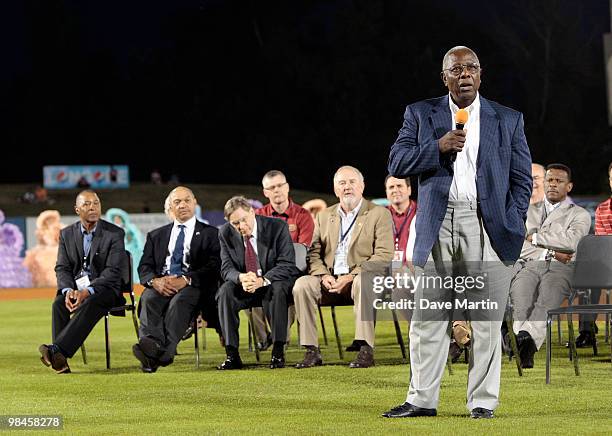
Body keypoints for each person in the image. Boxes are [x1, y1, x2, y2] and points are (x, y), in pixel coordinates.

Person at [384, 46, 532, 419]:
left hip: (487, 224)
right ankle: (422, 400)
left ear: (480, 75)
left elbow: (521, 179)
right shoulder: (420, 114)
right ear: (444, 77)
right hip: (437, 221)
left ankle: (482, 402)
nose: (464, 74)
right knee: (429, 317)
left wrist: (511, 219)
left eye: (471, 68)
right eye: (456, 69)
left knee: (485, 320)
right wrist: (437, 147)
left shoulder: (508, 119)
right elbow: (397, 163)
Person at [292, 165, 394, 369]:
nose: (347, 187)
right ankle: (311, 350)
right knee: (302, 285)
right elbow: (313, 253)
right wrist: (322, 276)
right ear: (336, 189)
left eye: (352, 182)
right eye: (342, 183)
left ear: (362, 186)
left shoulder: (379, 214)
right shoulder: (323, 216)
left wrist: (351, 276)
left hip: (360, 279)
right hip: (330, 278)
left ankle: (365, 349)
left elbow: (384, 255)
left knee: (362, 282)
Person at [509, 164, 591, 367]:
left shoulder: (580, 214)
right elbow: (518, 246)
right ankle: (526, 345)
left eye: (559, 181)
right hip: (531, 265)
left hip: (561, 269)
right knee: (521, 298)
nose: (553, 184)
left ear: (569, 187)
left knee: (547, 298)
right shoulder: (527, 211)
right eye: (549, 180)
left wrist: (535, 237)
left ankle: (523, 340)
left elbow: (572, 242)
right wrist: (552, 250)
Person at [134, 186, 221, 372]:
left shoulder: (211, 233)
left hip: (193, 286)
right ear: (170, 208)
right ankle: (153, 349)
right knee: (148, 298)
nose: (182, 205)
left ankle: (163, 353)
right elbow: (144, 267)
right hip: (163, 284)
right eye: (177, 202)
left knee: (180, 301)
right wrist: (154, 281)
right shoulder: (156, 235)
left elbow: (214, 266)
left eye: (187, 200)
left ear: (195, 203)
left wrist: (186, 279)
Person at [38, 190, 126, 374]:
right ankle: (61, 363)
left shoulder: (114, 233)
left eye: (96, 203)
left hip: (106, 290)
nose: (92, 207)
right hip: (77, 288)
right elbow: (62, 267)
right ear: (77, 209)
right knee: (58, 304)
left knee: (91, 302)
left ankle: (57, 350)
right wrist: (68, 290)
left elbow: (113, 272)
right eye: (86, 204)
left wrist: (88, 291)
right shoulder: (66, 234)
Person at [216, 196, 300, 370]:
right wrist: (241, 278)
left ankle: (278, 352)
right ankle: (232, 355)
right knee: (225, 292)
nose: (241, 226)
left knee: (277, 289)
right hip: (246, 284)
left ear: (252, 212)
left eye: (243, 220)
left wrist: (262, 281)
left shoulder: (277, 227)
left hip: (271, 282)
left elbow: (287, 264)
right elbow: (226, 269)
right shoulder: (224, 232)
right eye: (235, 223)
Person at [251, 170, 315, 349]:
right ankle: (265, 339)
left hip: (292, 272)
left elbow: (302, 252)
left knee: (287, 290)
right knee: (250, 290)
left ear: (287, 188)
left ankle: (280, 338)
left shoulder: (303, 215)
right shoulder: (257, 216)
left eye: (280, 186)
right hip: (264, 272)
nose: (276, 190)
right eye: (271, 187)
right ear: (265, 192)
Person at [575, 162, 612, 346]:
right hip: (608, 264)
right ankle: (587, 331)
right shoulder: (603, 209)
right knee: (589, 274)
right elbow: (603, 244)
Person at [23, 210, 63, 287]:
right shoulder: (42, 232)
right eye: (48, 220)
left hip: (56, 251)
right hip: (46, 252)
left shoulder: (59, 228)